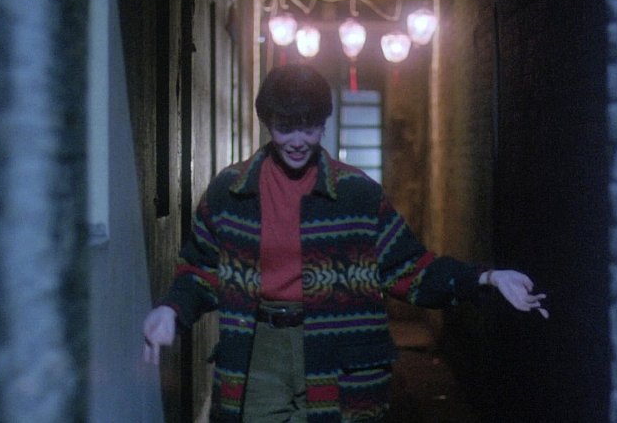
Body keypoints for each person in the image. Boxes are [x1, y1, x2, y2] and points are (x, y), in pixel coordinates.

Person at [143, 64, 548, 422]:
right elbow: (200, 269)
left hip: (338, 355)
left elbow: (409, 269)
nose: (298, 140)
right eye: (285, 127)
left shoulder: (357, 194)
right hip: (257, 353)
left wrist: (486, 278)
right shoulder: (230, 192)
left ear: (324, 124)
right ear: (267, 123)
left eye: (309, 126)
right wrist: (171, 309)